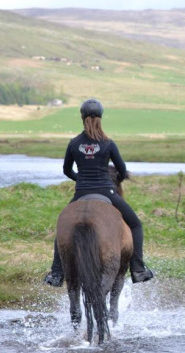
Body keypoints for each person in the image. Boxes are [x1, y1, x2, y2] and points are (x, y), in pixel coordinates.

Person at [44, 98, 154, 286]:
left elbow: (66, 170)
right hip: (107, 191)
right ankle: (137, 269)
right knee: (136, 225)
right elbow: (121, 168)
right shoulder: (108, 143)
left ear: (82, 117)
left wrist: (81, 180)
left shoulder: (74, 143)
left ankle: (56, 273)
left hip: (81, 193)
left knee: (63, 227)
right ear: (100, 118)